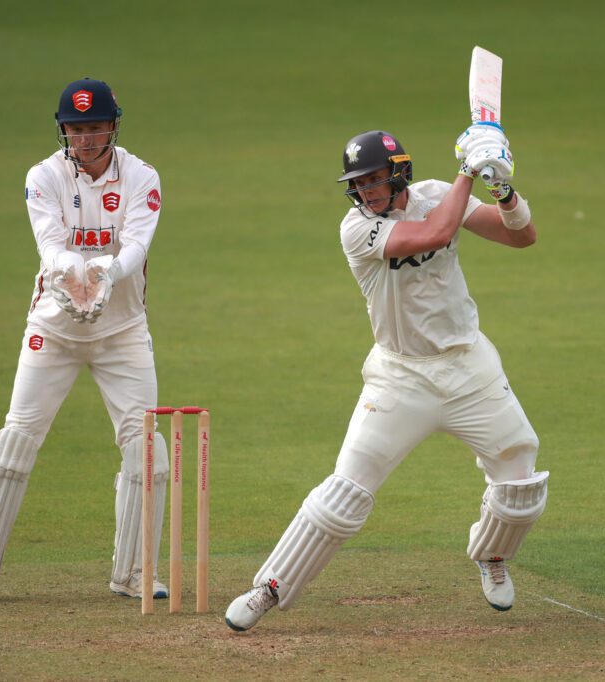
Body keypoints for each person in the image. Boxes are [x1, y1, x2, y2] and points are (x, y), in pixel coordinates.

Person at [225, 124, 549, 631]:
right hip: (400, 377)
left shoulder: (437, 195)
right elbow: (435, 234)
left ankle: (492, 555)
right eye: (358, 183)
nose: (366, 191)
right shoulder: (356, 229)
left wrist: (502, 187)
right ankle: (269, 588)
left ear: (400, 173)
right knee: (345, 495)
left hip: (470, 368)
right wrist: (469, 169)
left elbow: (521, 236)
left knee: (521, 478)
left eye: (374, 179)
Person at [0, 78, 170, 603]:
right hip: (54, 328)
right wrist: (71, 272)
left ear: (113, 126)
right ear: (63, 129)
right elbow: (50, 244)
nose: (85, 140)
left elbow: (137, 244)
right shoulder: (42, 176)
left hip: (123, 331)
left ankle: (135, 571)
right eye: (75, 129)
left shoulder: (142, 176)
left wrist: (107, 274)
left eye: (95, 128)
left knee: (144, 444)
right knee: (18, 434)